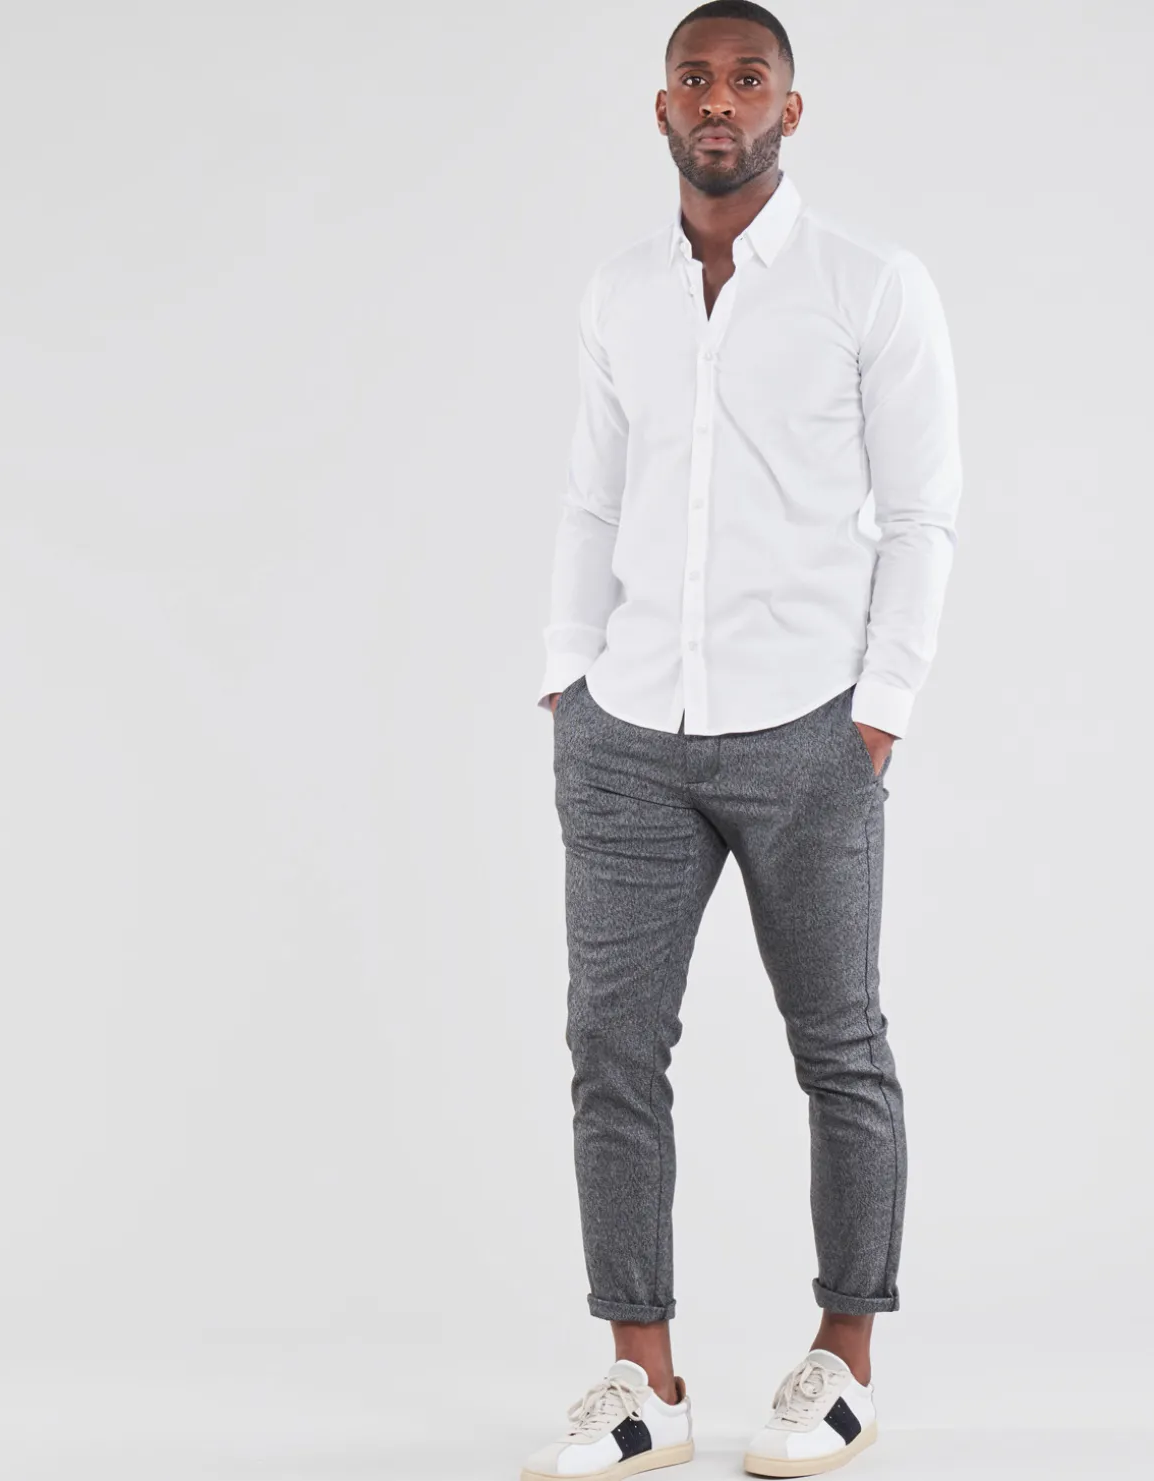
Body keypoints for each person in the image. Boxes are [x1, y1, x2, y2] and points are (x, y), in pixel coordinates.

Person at [524, 4, 962, 1477]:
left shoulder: (869, 285)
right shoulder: (619, 293)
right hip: (627, 733)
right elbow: (593, 495)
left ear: (790, 108)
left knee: (840, 1047)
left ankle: (844, 1362)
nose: (721, 100)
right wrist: (567, 674)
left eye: (748, 79)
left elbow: (923, 513)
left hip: (807, 733)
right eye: (696, 79)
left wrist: (880, 712)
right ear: (662, 108)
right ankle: (642, 1380)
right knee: (610, 1048)